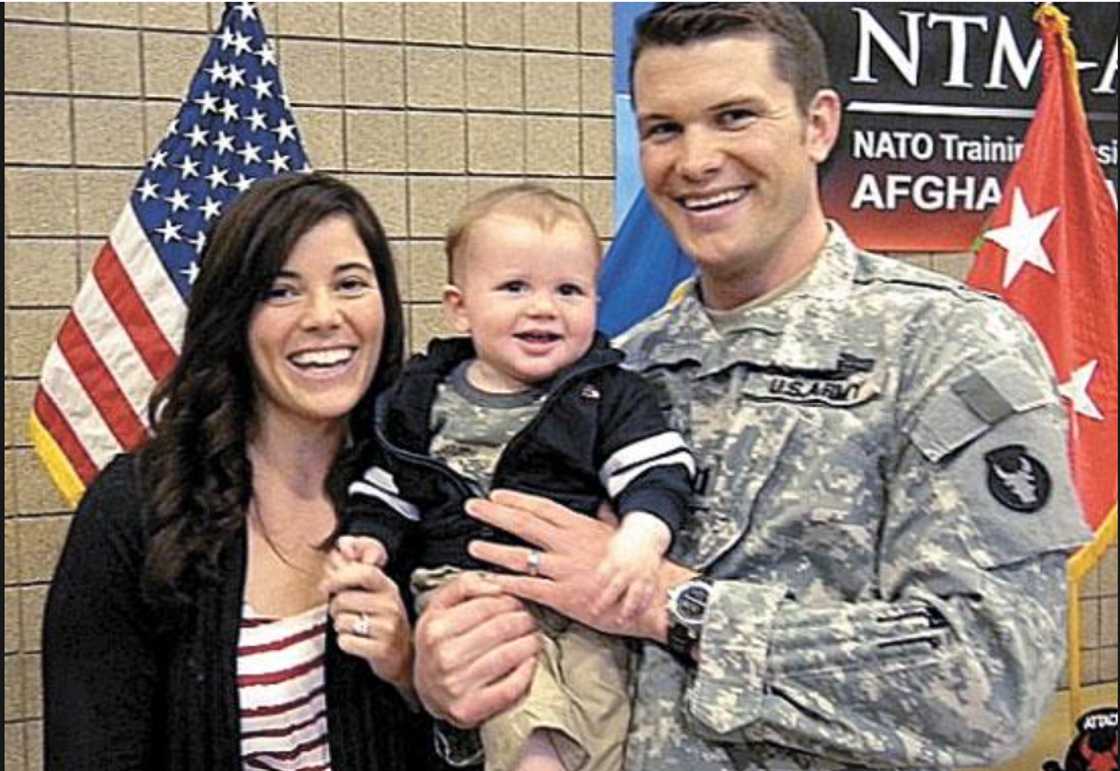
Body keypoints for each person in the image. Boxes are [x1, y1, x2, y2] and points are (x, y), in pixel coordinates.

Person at [410, 3, 1093, 769]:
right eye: (664, 128)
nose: (696, 160)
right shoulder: (615, 371)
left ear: (818, 124)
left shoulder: (946, 351)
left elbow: (988, 685)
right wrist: (455, 691)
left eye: (734, 116)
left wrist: (667, 601)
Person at [42, 172, 436, 770]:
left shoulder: (427, 491)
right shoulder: (136, 511)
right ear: (233, 316)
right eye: (281, 291)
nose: (324, 316)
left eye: (351, 283)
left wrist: (411, 672)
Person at [339, 183, 695, 771]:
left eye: (569, 290)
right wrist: (367, 543)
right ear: (460, 306)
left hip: (582, 600)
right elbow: (390, 489)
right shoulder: (423, 396)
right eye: (514, 287)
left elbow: (658, 471)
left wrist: (639, 541)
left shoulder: (606, 392)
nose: (543, 308)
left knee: (605, 722)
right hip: (471, 588)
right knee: (522, 718)